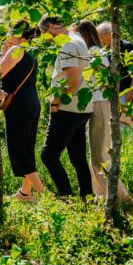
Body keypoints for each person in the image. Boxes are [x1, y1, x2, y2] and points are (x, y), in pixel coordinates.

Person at [38, 15, 93, 198]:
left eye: (44, 33)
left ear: (52, 26)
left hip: (68, 109)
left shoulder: (68, 45)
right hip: (82, 108)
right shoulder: (79, 40)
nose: (45, 38)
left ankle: (67, 197)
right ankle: (87, 197)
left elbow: (72, 80)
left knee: (48, 156)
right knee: (78, 157)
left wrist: (56, 101)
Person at [77, 20, 132, 201]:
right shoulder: (95, 52)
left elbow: (105, 80)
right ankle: (102, 193)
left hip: (100, 104)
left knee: (99, 153)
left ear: (84, 35)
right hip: (97, 104)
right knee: (95, 153)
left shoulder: (94, 53)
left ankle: (120, 196)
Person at [0, 19, 44, 201]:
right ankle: (25, 192)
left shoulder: (14, 50)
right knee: (27, 147)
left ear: (16, 33)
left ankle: (44, 194)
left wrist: (2, 53)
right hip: (32, 101)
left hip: (19, 104)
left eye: (9, 32)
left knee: (17, 149)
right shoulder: (30, 53)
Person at [96, 22, 133, 126]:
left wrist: (132, 89)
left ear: (110, 34)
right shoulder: (105, 52)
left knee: (127, 122)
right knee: (116, 123)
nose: (100, 41)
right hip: (114, 93)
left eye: (101, 37)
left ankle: (130, 142)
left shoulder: (127, 46)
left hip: (127, 91)